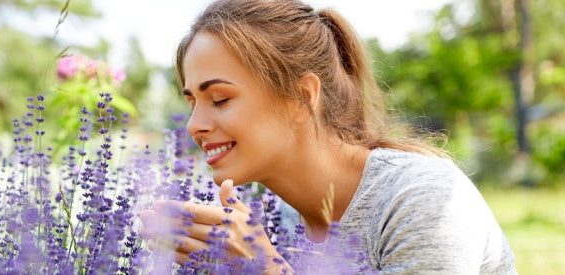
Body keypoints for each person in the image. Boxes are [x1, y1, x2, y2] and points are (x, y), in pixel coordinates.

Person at [141, 0, 517, 274]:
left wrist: (263, 266)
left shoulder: (423, 200)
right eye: (191, 101)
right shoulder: (273, 219)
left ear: (302, 98)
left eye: (219, 99)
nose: (193, 124)